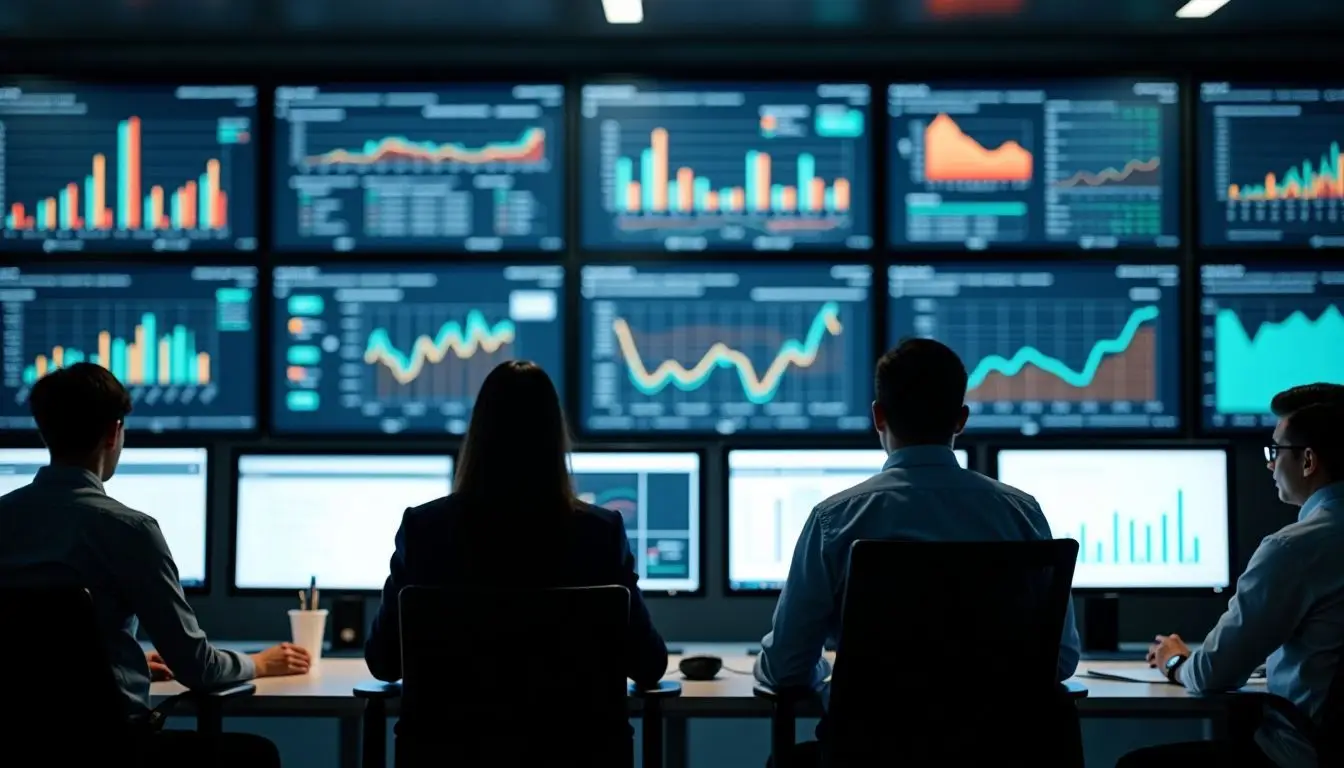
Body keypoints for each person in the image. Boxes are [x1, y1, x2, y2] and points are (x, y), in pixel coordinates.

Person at [754, 338, 1080, 765]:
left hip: (870, 757)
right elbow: (1061, 659)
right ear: (961, 420)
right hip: (999, 757)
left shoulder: (835, 520)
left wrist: (828, 672)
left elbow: (786, 670)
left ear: (877, 416)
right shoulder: (1021, 514)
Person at [0, 363, 309, 766]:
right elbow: (197, 668)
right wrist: (261, 663)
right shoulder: (129, 529)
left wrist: (109, 661)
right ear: (113, 432)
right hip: (112, 747)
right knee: (256, 755)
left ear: (45, 432)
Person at [364, 361, 668, 755]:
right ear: (554, 438)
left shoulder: (425, 528)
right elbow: (648, 666)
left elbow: (383, 662)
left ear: (478, 435)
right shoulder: (599, 532)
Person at [1121, 399, 1344, 768]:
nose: (1270, 464)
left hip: (1296, 756)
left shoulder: (1293, 549)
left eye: (1276, 450)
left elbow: (1211, 674)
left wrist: (1174, 660)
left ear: (1308, 461)